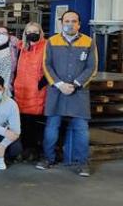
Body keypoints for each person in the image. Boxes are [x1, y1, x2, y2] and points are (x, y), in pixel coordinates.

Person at [37, 10, 97, 177]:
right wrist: (60, 84)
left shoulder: (88, 42)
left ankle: (82, 163)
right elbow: (46, 65)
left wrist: (76, 84)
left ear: (79, 24)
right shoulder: (52, 41)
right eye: (67, 21)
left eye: (74, 21)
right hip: (56, 90)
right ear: (61, 23)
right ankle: (48, 158)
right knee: (52, 127)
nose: (70, 24)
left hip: (79, 92)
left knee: (81, 129)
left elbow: (92, 67)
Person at [13, 22, 48, 161]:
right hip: (21, 90)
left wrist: (41, 84)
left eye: (35, 31)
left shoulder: (46, 47)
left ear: (40, 32)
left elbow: (50, 67)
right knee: (22, 122)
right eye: (29, 31)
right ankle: (23, 149)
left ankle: (33, 150)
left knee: (34, 123)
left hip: (36, 92)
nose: (32, 34)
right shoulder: (21, 47)